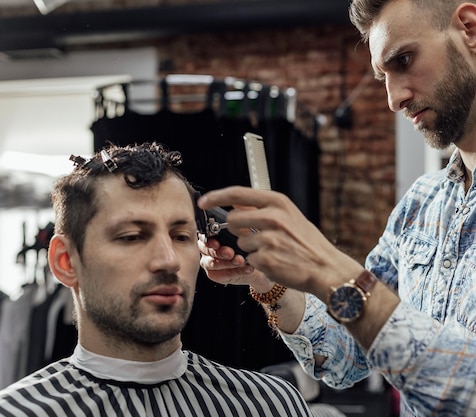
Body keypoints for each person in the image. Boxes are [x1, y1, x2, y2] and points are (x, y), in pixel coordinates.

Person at [196, 0, 476, 416]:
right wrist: (271, 283)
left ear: (471, 29)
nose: (393, 99)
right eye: (382, 75)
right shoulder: (423, 202)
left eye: (402, 61)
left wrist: (328, 266)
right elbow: (349, 354)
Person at [0, 142, 313, 417]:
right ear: (65, 261)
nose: (169, 260)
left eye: (181, 236)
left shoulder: (271, 405)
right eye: (132, 236)